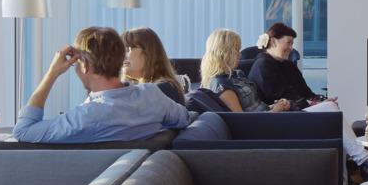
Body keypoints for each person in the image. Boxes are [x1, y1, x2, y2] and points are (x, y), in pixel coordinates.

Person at [16, 25, 193, 144]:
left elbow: (23, 131)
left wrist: (51, 73)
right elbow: (184, 117)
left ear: (85, 65)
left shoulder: (87, 117)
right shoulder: (152, 95)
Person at [198, 28, 286, 113]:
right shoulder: (222, 86)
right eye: (237, 50)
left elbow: (254, 108)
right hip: (264, 125)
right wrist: (274, 111)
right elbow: (243, 121)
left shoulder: (235, 74)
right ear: (225, 53)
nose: (240, 55)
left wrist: (274, 107)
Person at [247, 21, 320, 108]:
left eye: (292, 44)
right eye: (288, 43)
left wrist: (320, 101)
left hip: (298, 109)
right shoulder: (262, 65)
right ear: (273, 42)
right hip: (277, 116)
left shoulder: (289, 65)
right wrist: (311, 104)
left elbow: (306, 92)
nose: (291, 48)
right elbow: (279, 98)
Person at [122, 27, 187, 104]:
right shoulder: (144, 89)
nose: (121, 55)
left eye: (127, 50)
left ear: (148, 53)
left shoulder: (164, 89)